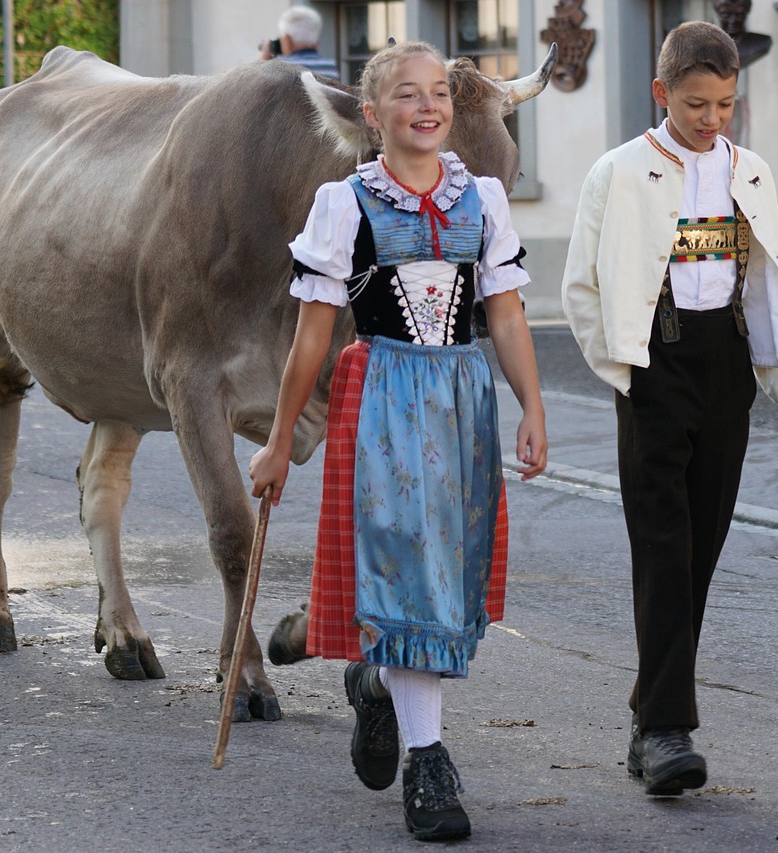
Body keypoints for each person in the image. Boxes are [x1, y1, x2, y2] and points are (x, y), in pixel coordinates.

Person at [249, 41, 547, 842]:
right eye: (408, 95)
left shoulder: (481, 199)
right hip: (379, 398)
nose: (429, 106)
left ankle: (377, 682)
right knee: (409, 571)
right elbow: (311, 340)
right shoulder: (346, 204)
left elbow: (508, 316)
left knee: (443, 584)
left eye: (440, 93)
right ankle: (429, 760)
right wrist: (279, 443)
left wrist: (532, 407)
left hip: (460, 401)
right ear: (372, 117)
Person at [561, 21, 778, 797]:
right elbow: (581, 286)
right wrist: (625, 371)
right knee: (662, 544)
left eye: (725, 105)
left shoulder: (751, 173)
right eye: (696, 104)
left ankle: (649, 711)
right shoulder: (619, 171)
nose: (712, 120)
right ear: (661, 94)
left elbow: (768, 283)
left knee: (699, 546)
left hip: (725, 365)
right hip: (654, 362)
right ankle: (670, 730)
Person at [259, 6, 340, 80]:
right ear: (317, 42)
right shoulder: (330, 66)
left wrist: (262, 60)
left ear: (287, 40)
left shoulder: (278, 68)